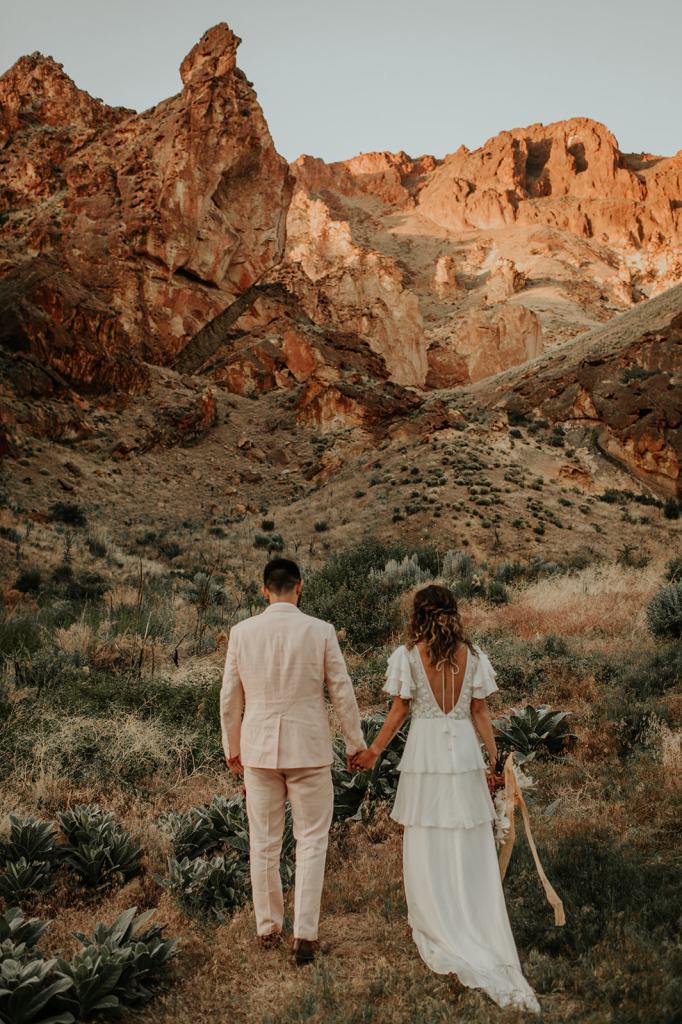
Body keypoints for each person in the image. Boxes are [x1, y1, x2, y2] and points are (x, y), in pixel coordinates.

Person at [352, 584, 540, 1013]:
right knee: (467, 834)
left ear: (418, 614)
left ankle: (437, 917)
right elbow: (480, 713)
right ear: (453, 614)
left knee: (428, 834)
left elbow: (399, 711)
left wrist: (373, 751)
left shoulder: (407, 657)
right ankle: (470, 913)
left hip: (425, 753)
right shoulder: (473, 657)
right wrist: (494, 763)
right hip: (462, 752)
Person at [220, 557, 366, 965]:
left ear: (264, 589)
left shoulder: (241, 632)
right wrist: (355, 743)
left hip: (259, 749)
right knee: (312, 840)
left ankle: (268, 928)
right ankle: (305, 934)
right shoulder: (320, 631)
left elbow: (230, 696)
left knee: (263, 842)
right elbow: (342, 690)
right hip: (309, 748)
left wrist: (232, 747)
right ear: (299, 587)